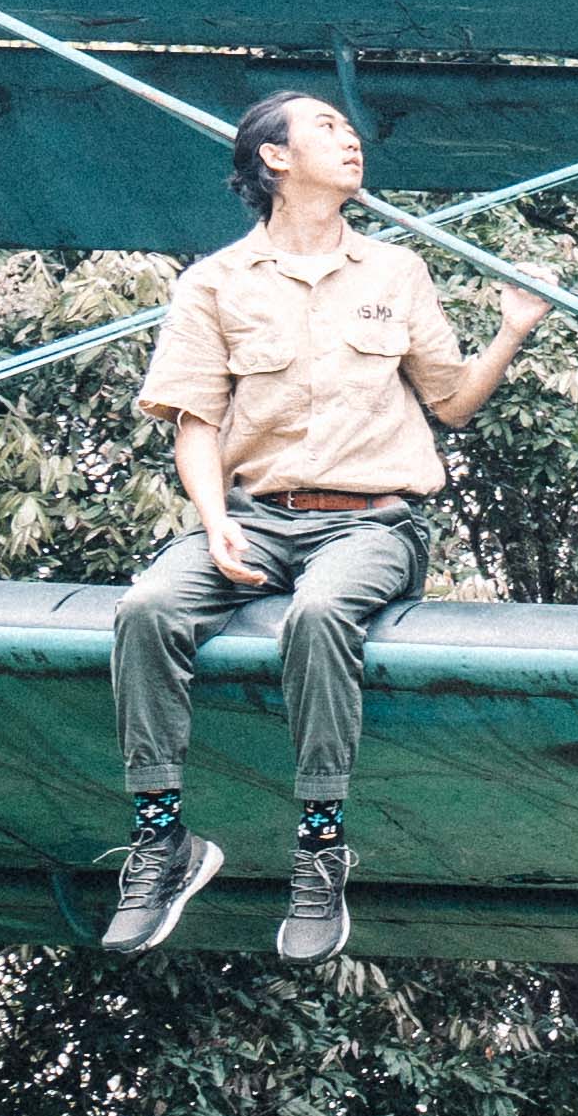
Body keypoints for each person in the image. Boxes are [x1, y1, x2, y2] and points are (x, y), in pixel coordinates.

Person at [102, 92, 553, 959]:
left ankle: (317, 852)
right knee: (147, 609)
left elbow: (451, 404)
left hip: (372, 525)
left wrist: (510, 332)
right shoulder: (215, 283)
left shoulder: (396, 273)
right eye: (328, 129)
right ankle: (161, 842)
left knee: (317, 617)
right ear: (274, 158)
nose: (352, 139)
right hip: (254, 518)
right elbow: (195, 423)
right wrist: (213, 522)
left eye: (352, 129)